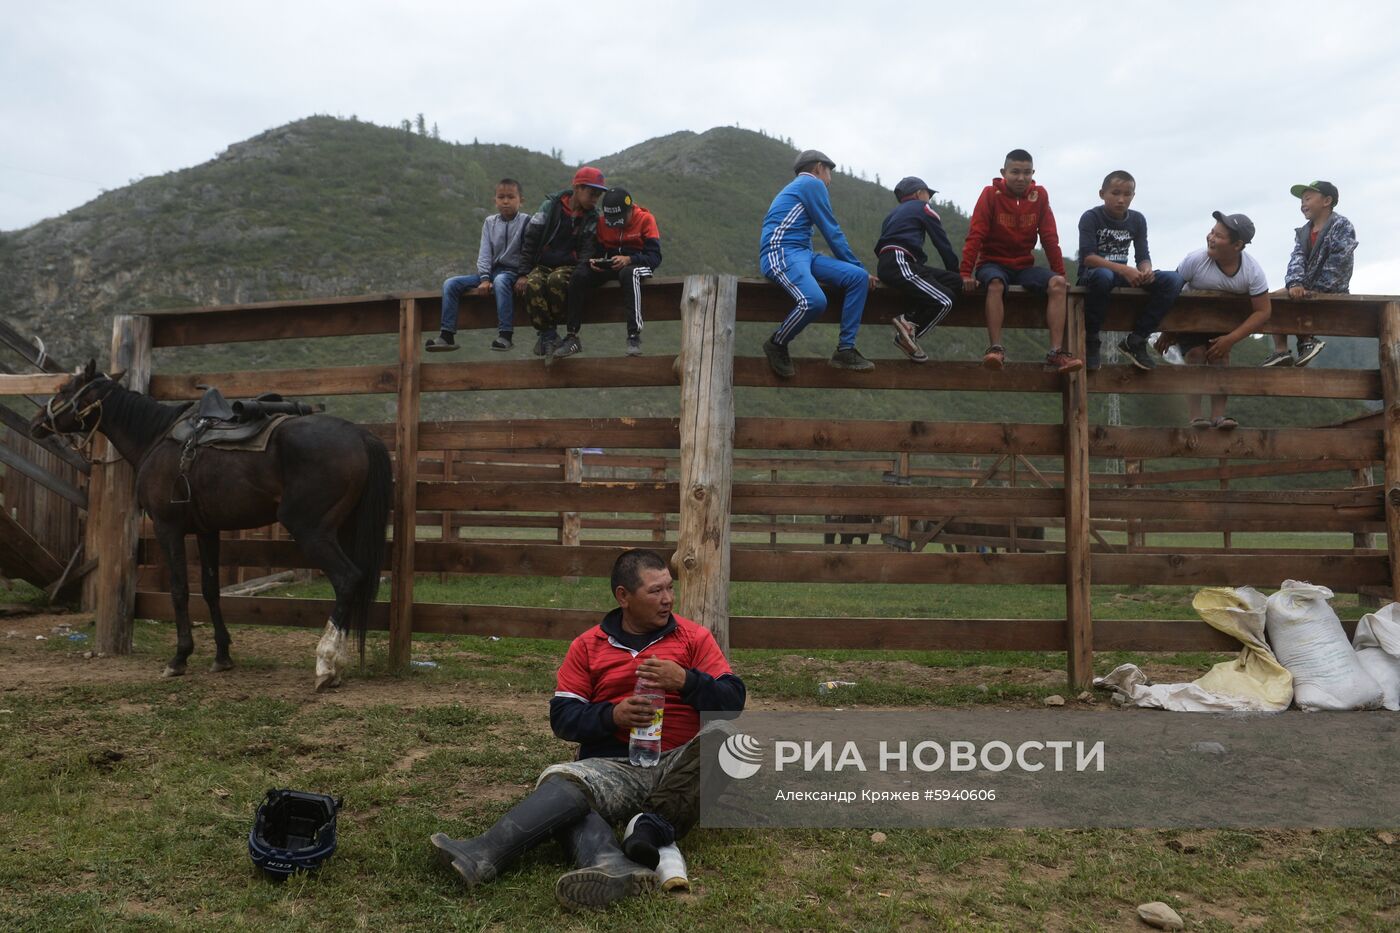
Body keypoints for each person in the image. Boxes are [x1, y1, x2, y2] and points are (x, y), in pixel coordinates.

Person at [429, 549, 746, 911]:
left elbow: (732, 701)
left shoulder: (693, 638)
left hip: (679, 764)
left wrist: (686, 680)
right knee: (560, 784)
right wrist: (613, 716)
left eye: (670, 588)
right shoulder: (588, 646)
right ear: (623, 596)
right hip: (614, 766)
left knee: (731, 742)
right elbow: (563, 717)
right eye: (655, 591)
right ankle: (497, 855)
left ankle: (649, 827)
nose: (668, 599)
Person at [759, 149, 879, 377]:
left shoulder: (803, 187)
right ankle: (777, 342)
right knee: (813, 301)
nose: (830, 179)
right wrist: (859, 264)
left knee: (857, 278)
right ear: (818, 169)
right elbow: (832, 231)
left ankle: (845, 349)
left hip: (803, 253)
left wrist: (859, 270)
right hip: (781, 252)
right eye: (829, 172)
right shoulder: (811, 184)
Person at [960, 149, 1082, 374]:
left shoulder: (1040, 196)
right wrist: (966, 273)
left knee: (1056, 284)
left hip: (1024, 265)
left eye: (1026, 173)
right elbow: (976, 234)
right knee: (995, 284)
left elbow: (1049, 237)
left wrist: (1061, 274)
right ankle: (996, 349)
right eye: (1015, 172)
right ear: (1003, 172)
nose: (1021, 178)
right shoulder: (990, 194)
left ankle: (1056, 352)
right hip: (992, 263)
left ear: (1033, 173)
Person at [1156, 212, 1272, 430]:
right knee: (1196, 355)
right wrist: (1169, 330)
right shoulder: (1195, 260)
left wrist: (1231, 339)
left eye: (1219, 236)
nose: (1211, 238)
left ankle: (1219, 415)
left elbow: (1263, 311)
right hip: (1189, 320)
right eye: (1211, 232)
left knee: (1220, 358)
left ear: (1237, 245)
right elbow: (1171, 291)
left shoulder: (1252, 271)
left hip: (1222, 325)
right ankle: (1195, 416)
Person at [1075, 170, 1185, 371]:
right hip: (1094, 275)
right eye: (1115, 193)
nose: (1121, 199)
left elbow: (1142, 255)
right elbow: (1088, 258)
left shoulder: (1137, 220)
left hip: (1123, 275)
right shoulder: (1091, 217)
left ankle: (1137, 339)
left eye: (1127, 194)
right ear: (1102, 194)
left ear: (1133, 196)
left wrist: (1146, 270)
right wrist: (1125, 270)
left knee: (1174, 280)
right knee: (1103, 276)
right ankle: (1091, 338)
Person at [554, 187, 662, 361]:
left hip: (638, 264)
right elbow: (599, 251)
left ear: (630, 210)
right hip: (613, 264)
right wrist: (595, 262)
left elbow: (655, 257)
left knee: (629, 274)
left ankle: (633, 335)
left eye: (620, 220)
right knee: (580, 275)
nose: (616, 225)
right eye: (612, 221)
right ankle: (572, 335)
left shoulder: (645, 220)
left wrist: (629, 259)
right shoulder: (603, 223)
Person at [1261, 180, 1359, 368]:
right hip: (1305, 287)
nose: (1303, 204)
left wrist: (1310, 289)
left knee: (1293, 298)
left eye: (1308, 198)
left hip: (1331, 289)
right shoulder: (1304, 232)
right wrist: (1295, 283)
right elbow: (1296, 259)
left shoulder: (1342, 226)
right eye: (1301, 201)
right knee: (1271, 298)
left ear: (1327, 201)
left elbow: (1339, 264)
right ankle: (1281, 351)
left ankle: (1306, 340)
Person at [427, 178, 530, 352]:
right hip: (491, 273)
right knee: (450, 284)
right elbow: (484, 252)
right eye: (501, 197)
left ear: (521, 200)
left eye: (511, 197)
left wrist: (524, 274)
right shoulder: (490, 223)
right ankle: (447, 335)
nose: (506, 201)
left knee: (501, 280)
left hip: (512, 273)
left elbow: (530, 252)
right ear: (495, 200)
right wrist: (484, 277)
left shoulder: (527, 222)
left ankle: (505, 335)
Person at [515, 167, 607, 358]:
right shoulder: (550, 207)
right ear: (577, 188)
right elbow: (531, 239)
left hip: (569, 266)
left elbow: (588, 250)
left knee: (556, 281)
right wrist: (523, 272)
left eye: (598, 195)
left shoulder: (592, 218)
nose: (595, 199)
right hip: (543, 263)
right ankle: (548, 334)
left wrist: (581, 274)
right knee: (532, 283)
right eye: (592, 193)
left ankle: (563, 333)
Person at [874, 176, 963, 363]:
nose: (929, 199)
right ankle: (906, 326)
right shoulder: (922, 208)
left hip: (896, 262)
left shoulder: (891, 215)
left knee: (954, 282)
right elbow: (942, 244)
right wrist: (956, 270)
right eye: (927, 194)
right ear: (918, 193)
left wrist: (957, 278)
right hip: (900, 260)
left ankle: (910, 322)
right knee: (945, 300)